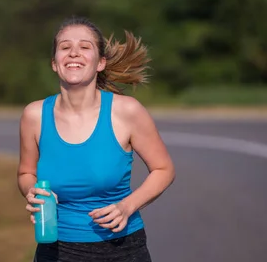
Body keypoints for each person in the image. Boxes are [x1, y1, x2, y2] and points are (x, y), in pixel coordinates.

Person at [17, 16, 175, 262]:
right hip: (56, 249)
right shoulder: (34, 115)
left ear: (100, 62)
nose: (74, 53)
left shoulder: (127, 112)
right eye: (65, 47)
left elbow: (164, 169)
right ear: (54, 63)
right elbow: (26, 173)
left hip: (121, 248)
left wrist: (127, 206)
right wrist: (32, 191)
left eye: (85, 47)